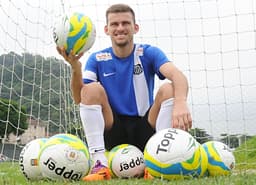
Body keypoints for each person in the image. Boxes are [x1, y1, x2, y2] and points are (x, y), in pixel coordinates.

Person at [57, 3, 192, 181]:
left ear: (135, 28)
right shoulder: (97, 59)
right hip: (114, 128)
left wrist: (181, 102)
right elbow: (79, 98)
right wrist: (76, 69)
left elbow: (177, 76)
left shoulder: (149, 52)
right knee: (91, 89)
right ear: (106, 29)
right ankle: (100, 165)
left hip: (145, 127)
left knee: (169, 88)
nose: (120, 28)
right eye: (114, 24)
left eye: (125, 23)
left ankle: (160, 161)